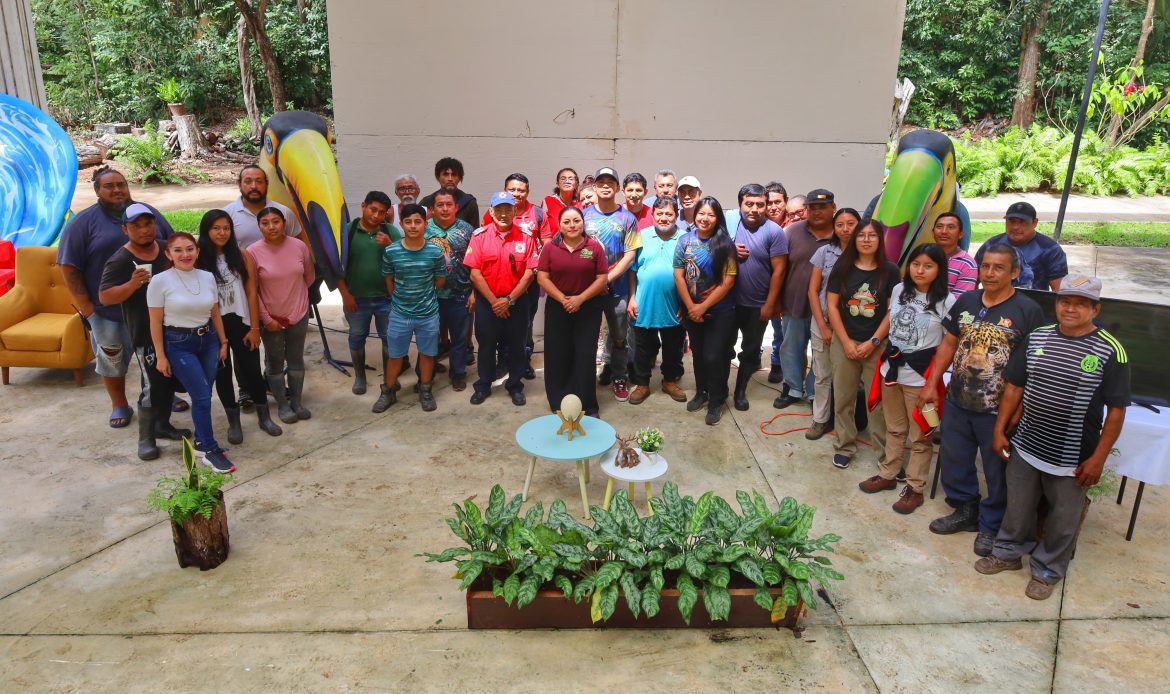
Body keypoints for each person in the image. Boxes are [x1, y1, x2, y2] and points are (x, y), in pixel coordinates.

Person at [978, 275, 1130, 599]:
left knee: (1063, 518)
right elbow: (1014, 387)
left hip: (1073, 456)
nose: (1070, 308)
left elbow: (1116, 411)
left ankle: (1047, 570)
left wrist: (1098, 459)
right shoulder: (1037, 337)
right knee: (1018, 506)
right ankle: (1007, 553)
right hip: (1027, 444)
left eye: (1080, 304)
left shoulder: (1110, 350)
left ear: (1095, 309)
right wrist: (999, 430)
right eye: (1065, 301)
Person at [918, 242, 1044, 557]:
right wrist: (932, 383)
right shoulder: (967, 300)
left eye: (999, 267)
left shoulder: (1028, 310)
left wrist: (1020, 408)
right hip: (958, 400)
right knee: (955, 459)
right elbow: (949, 344)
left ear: (1014, 272)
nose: (989, 273)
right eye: (985, 266)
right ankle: (965, 509)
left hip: (997, 408)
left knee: (996, 470)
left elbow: (1034, 365)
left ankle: (991, 525)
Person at [58, 167, 176, 429]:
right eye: (109, 186)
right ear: (97, 190)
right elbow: (68, 266)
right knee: (112, 358)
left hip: (154, 309)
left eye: (121, 184)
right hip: (108, 310)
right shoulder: (83, 223)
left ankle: (165, 394)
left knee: (160, 353)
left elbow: (173, 244)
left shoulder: (148, 213)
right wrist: (87, 308)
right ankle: (119, 403)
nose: (117, 190)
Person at [859, 244, 955, 512]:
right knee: (894, 427)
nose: (920, 270)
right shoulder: (900, 290)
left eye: (928, 266)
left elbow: (949, 345)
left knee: (921, 435)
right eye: (915, 264)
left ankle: (915, 487)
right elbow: (891, 321)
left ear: (939, 269)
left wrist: (933, 383)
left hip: (921, 379)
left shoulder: (947, 302)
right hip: (891, 371)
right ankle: (888, 474)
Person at [96, 203, 188, 460]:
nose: (144, 230)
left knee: (168, 382)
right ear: (125, 229)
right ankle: (145, 438)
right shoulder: (120, 260)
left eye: (148, 224)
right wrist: (132, 284)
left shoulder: (167, 249)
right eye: (136, 226)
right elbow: (105, 297)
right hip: (145, 335)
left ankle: (162, 425)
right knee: (152, 385)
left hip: (176, 329)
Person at [146, 233, 234, 473]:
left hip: (209, 340)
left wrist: (223, 341)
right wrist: (161, 356)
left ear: (197, 251)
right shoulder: (160, 281)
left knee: (203, 394)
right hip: (179, 343)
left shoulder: (207, 277)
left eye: (189, 249)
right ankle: (209, 449)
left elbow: (215, 312)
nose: (185, 254)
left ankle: (201, 442)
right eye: (178, 250)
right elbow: (155, 322)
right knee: (202, 396)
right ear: (168, 254)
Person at [195, 210, 283, 441]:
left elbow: (252, 292)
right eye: (216, 228)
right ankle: (233, 422)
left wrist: (254, 328)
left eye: (226, 228)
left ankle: (264, 416)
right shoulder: (198, 259)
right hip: (214, 325)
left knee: (252, 370)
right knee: (222, 374)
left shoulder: (242, 255)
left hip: (241, 321)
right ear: (206, 230)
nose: (222, 233)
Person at [825, 219, 898, 469]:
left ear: (880, 240)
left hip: (876, 344)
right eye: (861, 235)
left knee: (877, 403)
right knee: (843, 398)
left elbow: (892, 310)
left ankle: (885, 454)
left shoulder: (890, 271)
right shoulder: (842, 267)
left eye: (872, 235)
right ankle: (844, 446)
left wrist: (874, 341)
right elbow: (832, 306)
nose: (866, 240)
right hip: (844, 341)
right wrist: (846, 342)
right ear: (854, 239)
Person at [463, 192, 539, 406]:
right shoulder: (479, 236)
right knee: (486, 345)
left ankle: (515, 385)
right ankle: (483, 385)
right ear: (491, 211)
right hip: (487, 303)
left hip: (517, 302)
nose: (503, 214)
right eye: (499, 209)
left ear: (515, 211)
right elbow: (475, 274)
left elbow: (529, 274)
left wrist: (509, 300)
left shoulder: (526, 237)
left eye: (508, 209)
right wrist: (495, 302)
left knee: (517, 346)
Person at [372, 204, 447, 413]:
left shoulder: (435, 251)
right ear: (402, 224)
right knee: (395, 355)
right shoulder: (392, 251)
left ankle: (425, 390)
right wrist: (399, 299)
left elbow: (440, 280)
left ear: (425, 224)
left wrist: (424, 295)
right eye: (408, 222)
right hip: (399, 314)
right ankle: (388, 391)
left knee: (427, 354)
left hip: (428, 314)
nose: (413, 226)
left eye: (417, 222)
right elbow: (389, 279)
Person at [247, 207, 316, 425]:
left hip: (299, 313)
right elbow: (252, 290)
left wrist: (298, 304)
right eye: (265, 223)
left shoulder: (299, 246)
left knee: (296, 360)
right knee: (275, 363)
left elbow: (309, 277)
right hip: (271, 319)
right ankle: (283, 405)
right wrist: (267, 319)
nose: (271, 227)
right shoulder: (252, 252)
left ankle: (296, 402)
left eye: (276, 221)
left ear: (284, 223)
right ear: (259, 227)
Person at [537, 206, 609, 415]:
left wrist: (580, 299)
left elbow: (602, 278)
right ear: (559, 225)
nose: (572, 225)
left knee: (585, 354)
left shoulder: (594, 247)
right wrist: (563, 299)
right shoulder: (550, 247)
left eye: (576, 221)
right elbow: (542, 277)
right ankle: (559, 403)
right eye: (566, 222)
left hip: (588, 307)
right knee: (558, 353)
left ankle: (587, 404)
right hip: (558, 307)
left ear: (583, 223)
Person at [674, 196, 737, 425]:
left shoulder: (725, 244)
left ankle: (716, 400)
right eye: (701, 213)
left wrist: (702, 306)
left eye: (711, 214)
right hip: (692, 311)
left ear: (717, 218)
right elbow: (678, 275)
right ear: (695, 215)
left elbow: (728, 282)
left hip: (720, 312)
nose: (705, 218)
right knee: (698, 355)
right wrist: (691, 307)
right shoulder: (685, 241)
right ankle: (702, 392)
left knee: (714, 356)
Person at [481, 174, 547, 381]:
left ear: (527, 192)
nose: (517, 193)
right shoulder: (493, 211)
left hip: (528, 280)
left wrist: (533, 266)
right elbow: (486, 236)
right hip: (499, 281)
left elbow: (546, 242)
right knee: (500, 321)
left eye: (521, 190)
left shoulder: (537, 213)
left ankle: (524, 360)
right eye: (512, 190)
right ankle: (503, 360)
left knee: (525, 322)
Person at [774, 189, 835, 409]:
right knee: (790, 348)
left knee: (822, 353)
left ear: (833, 208)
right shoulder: (792, 232)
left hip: (828, 310)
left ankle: (813, 391)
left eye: (822, 207)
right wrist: (777, 300)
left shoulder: (841, 234)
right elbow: (780, 268)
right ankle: (792, 388)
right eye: (812, 208)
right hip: (794, 304)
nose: (817, 212)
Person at [585, 167, 641, 402]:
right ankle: (584, 378)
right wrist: (594, 282)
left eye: (611, 182)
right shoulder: (583, 216)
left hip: (616, 290)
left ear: (618, 188)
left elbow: (630, 255)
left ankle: (620, 377)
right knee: (586, 337)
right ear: (595, 187)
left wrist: (605, 279)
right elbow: (577, 251)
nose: (606, 185)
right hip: (588, 290)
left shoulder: (627, 218)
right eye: (601, 182)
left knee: (619, 336)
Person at [730, 184, 788, 411]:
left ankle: (740, 391)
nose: (754, 209)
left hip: (758, 305)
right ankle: (718, 389)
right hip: (728, 303)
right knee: (723, 347)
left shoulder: (774, 232)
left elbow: (779, 270)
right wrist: (729, 248)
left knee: (751, 350)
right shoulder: (730, 224)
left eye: (760, 204)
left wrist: (770, 304)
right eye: (749, 204)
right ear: (740, 205)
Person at [804, 207, 860, 439]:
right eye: (840, 225)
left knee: (849, 378)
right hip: (823, 322)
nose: (845, 229)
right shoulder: (825, 252)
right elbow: (813, 291)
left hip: (853, 327)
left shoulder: (866, 253)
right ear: (834, 228)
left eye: (851, 224)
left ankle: (846, 423)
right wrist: (823, 326)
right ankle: (820, 419)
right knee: (822, 374)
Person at [338, 191, 401, 397]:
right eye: (373, 210)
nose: (376, 216)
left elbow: (405, 261)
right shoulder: (347, 231)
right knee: (356, 337)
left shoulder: (390, 231)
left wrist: (390, 246)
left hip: (387, 299)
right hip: (356, 299)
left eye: (382, 212)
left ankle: (390, 378)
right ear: (363, 206)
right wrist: (345, 294)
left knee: (390, 339)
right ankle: (360, 377)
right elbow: (335, 266)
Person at [628, 197, 688, 405]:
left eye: (669, 214)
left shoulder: (685, 238)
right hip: (644, 302)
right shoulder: (641, 236)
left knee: (674, 345)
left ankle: (669, 381)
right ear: (652, 215)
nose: (664, 218)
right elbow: (632, 270)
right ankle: (642, 383)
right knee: (642, 346)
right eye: (659, 214)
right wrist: (632, 297)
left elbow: (691, 274)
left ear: (676, 216)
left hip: (674, 305)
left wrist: (686, 303)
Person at [426, 189, 476, 391]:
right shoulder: (423, 229)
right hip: (430, 296)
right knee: (429, 338)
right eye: (440, 205)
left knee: (459, 339)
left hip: (461, 294)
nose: (445, 209)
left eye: (449, 204)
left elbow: (477, 263)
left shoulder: (468, 230)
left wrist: (474, 293)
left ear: (456, 207)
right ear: (432, 209)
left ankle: (458, 374)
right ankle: (426, 376)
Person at [975, 201, 1068, 291]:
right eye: (1011, 221)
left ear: (1034, 222)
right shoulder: (991, 245)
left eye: (1022, 222)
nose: (1015, 227)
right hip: (994, 300)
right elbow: (973, 281)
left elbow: (1059, 290)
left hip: (1034, 301)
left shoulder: (1050, 249)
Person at [224, 165, 302, 249]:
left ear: (266, 184)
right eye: (248, 181)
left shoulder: (285, 212)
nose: (254, 186)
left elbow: (297, 247)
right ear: (240, 184)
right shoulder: (227, 214)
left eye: (259, 181)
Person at [764, 181, 790, 383]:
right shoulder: (759, 224)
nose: (773, 207)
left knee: (780, 330)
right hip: (760, 287)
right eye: (769, 202)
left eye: (777, 202)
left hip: (785, 289)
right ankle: (753, 359)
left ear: (785, 202)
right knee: (755, 328)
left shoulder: (794, 225)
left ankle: (777, 363)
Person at [419, 157, 480, 227]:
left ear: (459, 178)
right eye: (445, 174)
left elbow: (475, 232)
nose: (450, 179)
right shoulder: (427, 202)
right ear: (438, 177)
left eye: (454, 175)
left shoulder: (469, 203)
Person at [932, 212, 978, 297]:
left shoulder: (967, 264)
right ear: (932, 232)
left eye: (951, 227)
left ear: (960, 234)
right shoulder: (922, 256)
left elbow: (959, 300)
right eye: (939, 226)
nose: (944, 231)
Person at [543, 168, 579, 239]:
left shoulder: (581, 203)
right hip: (554, 244)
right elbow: (542, 229)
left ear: (576, 184)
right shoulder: (548, 201)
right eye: (563, 179)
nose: (567, 181)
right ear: (557, 184)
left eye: (571, 179)